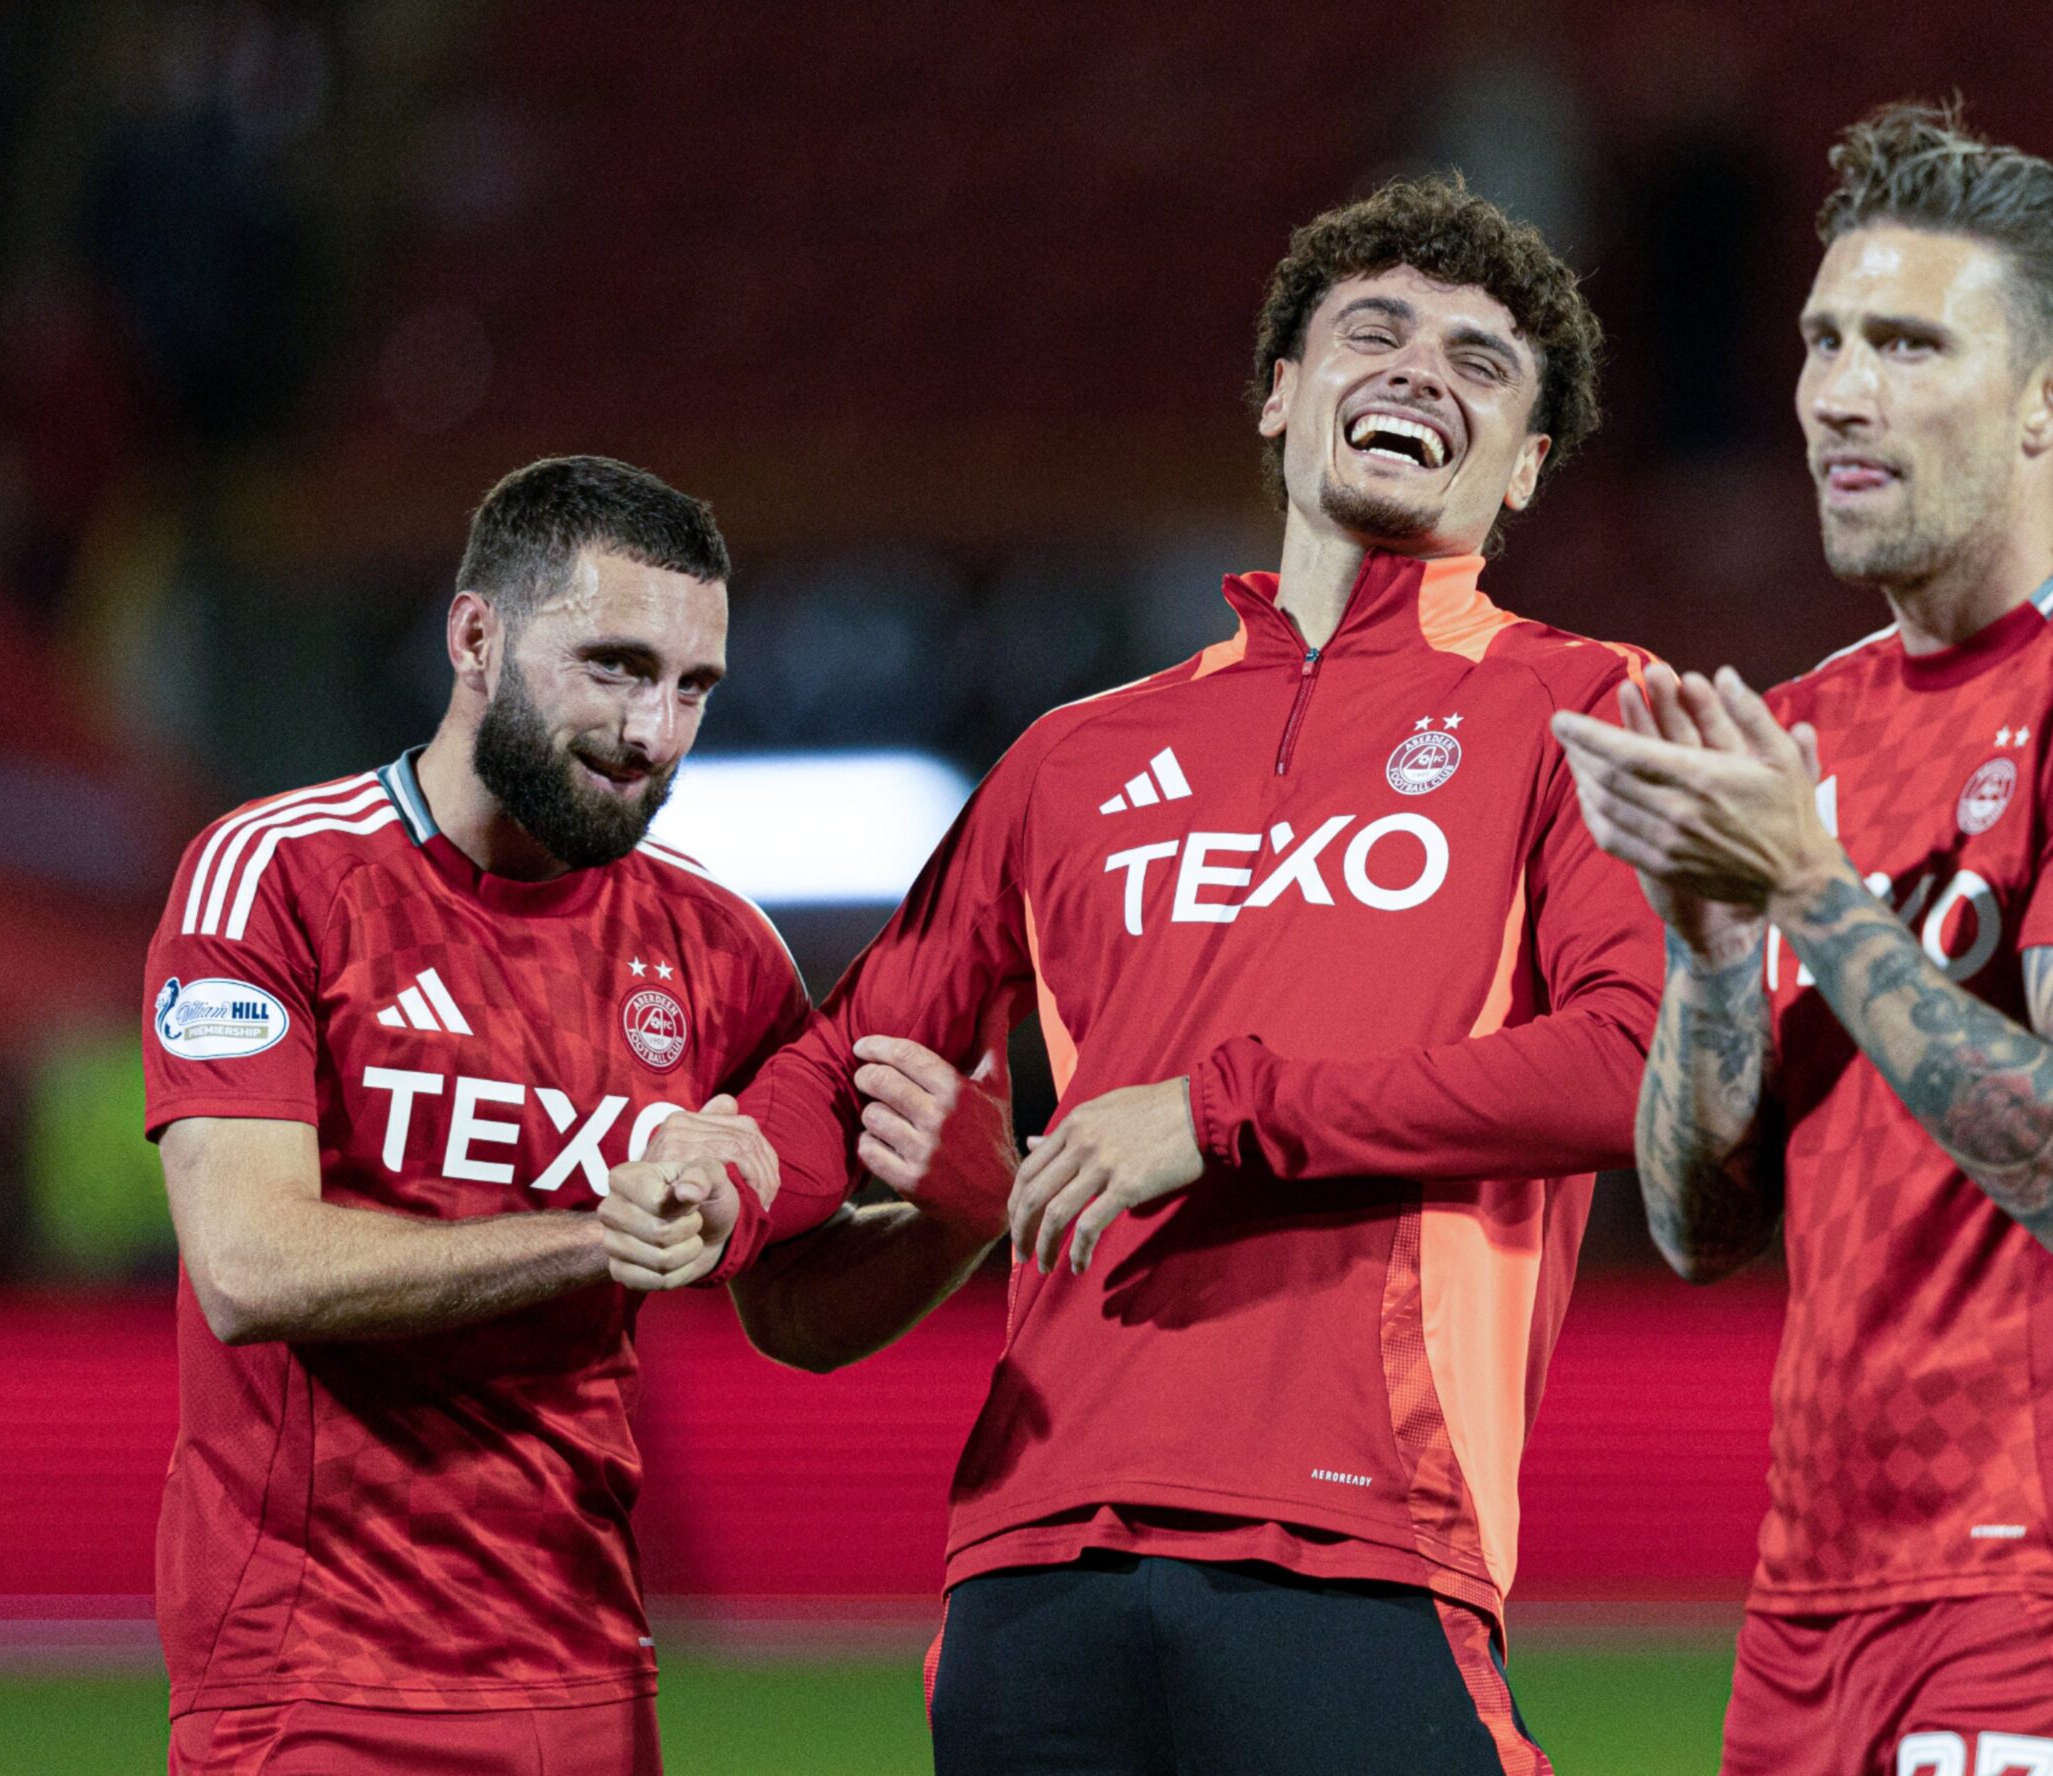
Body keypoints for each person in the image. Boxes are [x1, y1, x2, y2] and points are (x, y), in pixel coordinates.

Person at [605, 176, 1661, 1775]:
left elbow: (1629, 1065)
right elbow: (858, 1056)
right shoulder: (1074, 755)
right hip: (1035, 1560)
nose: (1415, 368)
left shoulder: (1589, 710)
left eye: (1477, 361)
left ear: (1521, 468)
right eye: (1369, 332)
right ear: (1280, 393)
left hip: (1366, 1544)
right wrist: (731, 1164)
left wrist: (1222, 1115)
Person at [1553, 103, 2053, 1775]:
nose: (1837, 392)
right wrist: (1699, 944)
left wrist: (1817, 895)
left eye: (1905, 343)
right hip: (1813, 1605)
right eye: (1824, 340)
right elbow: (1699, 1225)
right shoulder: (1808, 728)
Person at [141, 455, 1009, 1774]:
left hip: (592, 1682)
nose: (652, 732)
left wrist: (960, 1217)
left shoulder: (719, 946)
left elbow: (787, 1310)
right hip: (314, 1681)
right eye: (612, 666)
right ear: (475, 636)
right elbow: (251, 1265)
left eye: (692, 687)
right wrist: (598, 1236)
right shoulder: (278, 877)